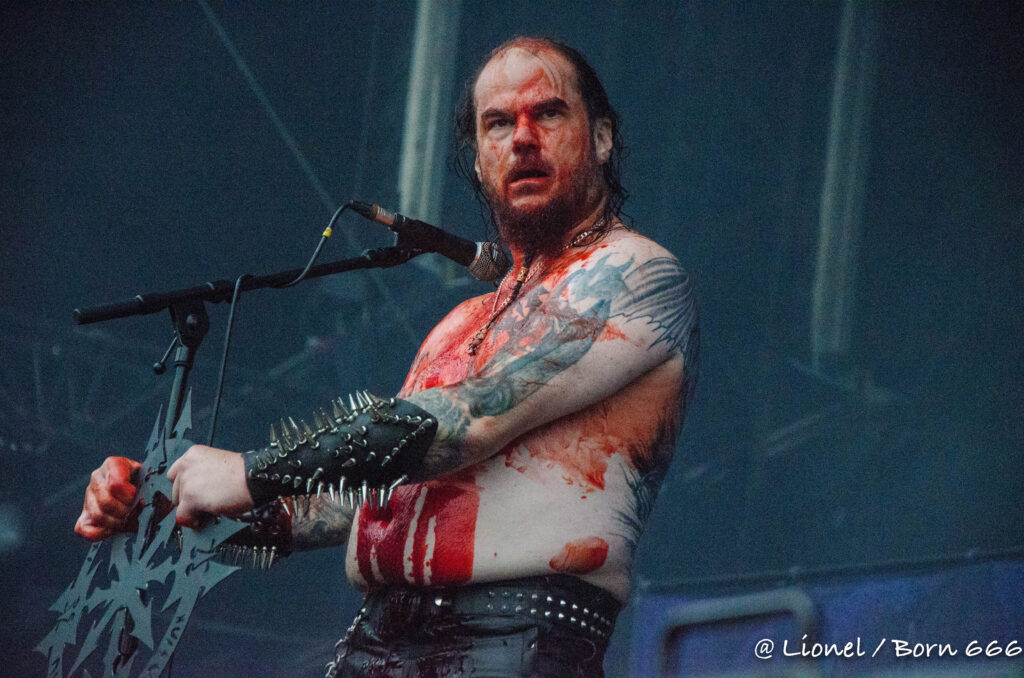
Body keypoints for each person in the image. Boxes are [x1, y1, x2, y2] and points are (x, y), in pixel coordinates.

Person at [76, 36, 700, 677]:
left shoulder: (634, 272)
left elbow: (470, 421)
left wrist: (250, 470)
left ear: (602, 137)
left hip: (514, 639)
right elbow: (363, 501)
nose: (521, 138)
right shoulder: (459, 324)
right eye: (497, 123)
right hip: (375, 641)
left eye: (547, 113)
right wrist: (163, 504)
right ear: (479, 158)